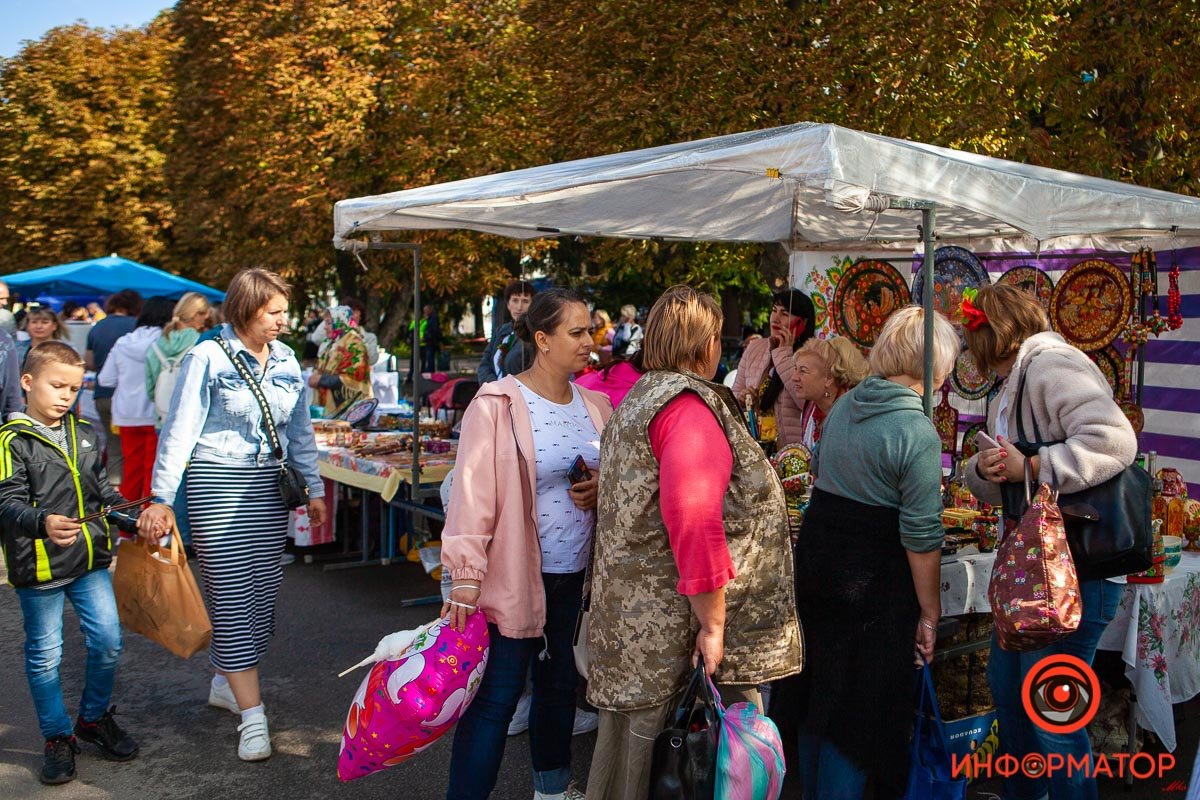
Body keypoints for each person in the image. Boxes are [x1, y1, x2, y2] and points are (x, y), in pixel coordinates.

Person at [585, 285, 803, 800]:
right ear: (705, 344)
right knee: (685, 770)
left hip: (635, 632)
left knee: (633, 766)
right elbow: (693, 516)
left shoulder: (642, 397)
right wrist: (713, 624)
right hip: (669, 639)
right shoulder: (684, 407)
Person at [139, 268, 326, 762]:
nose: (285, 321)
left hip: (270, 486)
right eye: (275, 312)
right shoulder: (206, 356)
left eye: (286, 311)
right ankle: (253, 717)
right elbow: (178, 431)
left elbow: (301, 432)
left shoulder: (286, 358)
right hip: (216, 483)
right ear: (246, 309)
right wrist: (161, 497)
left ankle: (226, 679)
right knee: (230, 592)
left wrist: (315, 488)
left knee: (262, 595)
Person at [963, 283, 1137, 800]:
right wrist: (985, 468)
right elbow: (1005, 485)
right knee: (1015, 701)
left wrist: (1035, 465)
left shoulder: (1050, 365)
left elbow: (1114, 440)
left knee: (1050, 719)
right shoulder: (1018, 378)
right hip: (1038, 579)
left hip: (1074, 576)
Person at [441, 287, 612, 800]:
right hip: (512, 575)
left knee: (559, 686)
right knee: (497, 695)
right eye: (576, 332)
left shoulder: (597, 405)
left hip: (572, 574)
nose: (589, 342)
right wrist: (466, 578)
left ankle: (552, 790)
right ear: (543, 339)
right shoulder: (496, 404)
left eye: (590, 331)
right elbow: (471, 494)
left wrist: (600, 485)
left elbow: (615, 477)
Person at [791, 305, 957, 799]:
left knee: (818, 698)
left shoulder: (844, 406)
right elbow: (922, 535)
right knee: (857, 716)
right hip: (872, 588)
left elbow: (823, 474)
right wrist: (930, 613)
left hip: (820, 569)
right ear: (936, 367)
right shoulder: (916, 431)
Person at [0, 342, 141, 785]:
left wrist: (137, 520)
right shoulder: (11, 440)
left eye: (75, 388)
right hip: (38, 566)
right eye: (57, 385)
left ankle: (93, 720)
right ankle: (57, 736)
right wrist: (42, 523)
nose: (66, 396)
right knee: (45, 656)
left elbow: (103, 494)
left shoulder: (84, 433)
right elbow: (7, 503)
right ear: (27, 382)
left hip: (89, 560)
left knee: (108, 641)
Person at [96, 297, 173, 502]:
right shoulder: (166, 343)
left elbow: (105, 379)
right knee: (153, 471)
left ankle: (126, 526)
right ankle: (149, 526)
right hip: (156, 414)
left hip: (126, 414)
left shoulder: (123, 341)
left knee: (130, 470)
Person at [731, 289, 816, 448]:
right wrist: (742, 399)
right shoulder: (755, 348)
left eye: (784, 313)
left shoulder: (811, 355)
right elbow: (734, 393)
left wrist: (783, 356)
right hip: (757, 449)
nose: (775, 318)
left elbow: (807, 402)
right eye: (773, 311)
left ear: (802, 323)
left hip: (793, 453)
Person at [85, 290, 142, 487]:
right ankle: (125, 497)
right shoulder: (136, 326)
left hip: (102, 395)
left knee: (113, 445)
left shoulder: (97, 327)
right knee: (133, 449)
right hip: (131, 398)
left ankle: (113, 492)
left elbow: (89, 362)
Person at [790, 336, 870, 454]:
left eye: (803, 370)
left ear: (828, 378)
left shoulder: (853, 411)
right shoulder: (809, 410)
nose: (794, 378)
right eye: (795, 369)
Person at [145, 292, 212, 424]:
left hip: (162, 417)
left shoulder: (155, 345)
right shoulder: (202, 343)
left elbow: (151, 390)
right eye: (204, 315)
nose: (206, 319)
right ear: (196, 315)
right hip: (193, 420)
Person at [307, 305, 373, 417]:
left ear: (340, 322)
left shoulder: (354, 344)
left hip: (350, 411)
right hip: (331, 409)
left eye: (328, 323)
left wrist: (321, 380)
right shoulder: (333, 342)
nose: (325, 327)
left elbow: (355, 379)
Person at [478, 280, 536, 383]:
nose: (519, 307)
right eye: (515, 300)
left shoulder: (533, 334)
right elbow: (484, 364)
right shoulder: (501, 330)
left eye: (525, 301)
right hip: (494, 393)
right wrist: (494, 387)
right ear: (508, 304)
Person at [342, 297, 380, 367]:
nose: (352, 316)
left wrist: (358, 337)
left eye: (355, 312)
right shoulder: (337, 335)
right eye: (348, 313)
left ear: (361, 316)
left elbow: (372, 360)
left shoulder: (370, 337)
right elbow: (316, 339)